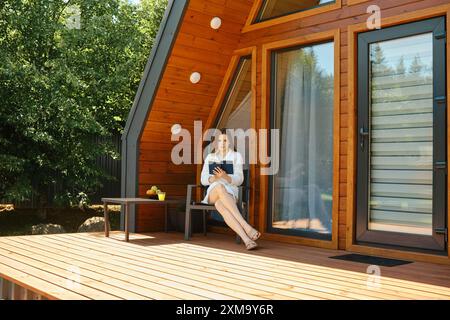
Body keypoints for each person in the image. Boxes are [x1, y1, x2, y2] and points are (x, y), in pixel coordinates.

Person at [200, 129, 260, 250]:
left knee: (220, 206)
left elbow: (240, 179)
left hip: (230, 192)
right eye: (219, 140)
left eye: (225, 140)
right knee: (219, 187)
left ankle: (247, 240)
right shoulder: (210, 157)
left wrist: (226, 177)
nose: (222, 143)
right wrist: (214, 178)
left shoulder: (236, 156)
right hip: (213, 192)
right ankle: (246, 226)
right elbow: (203, 179)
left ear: (230, 142)